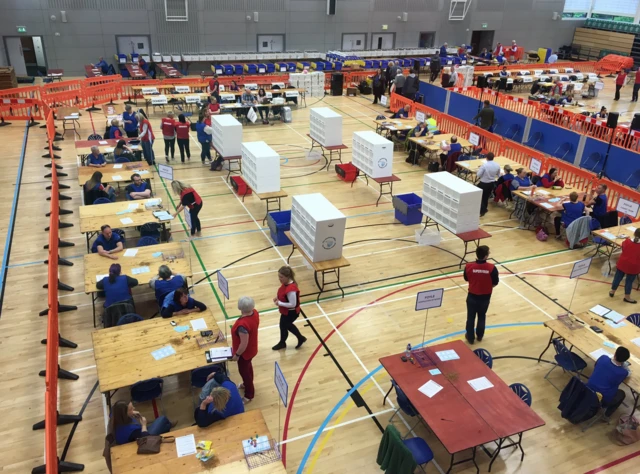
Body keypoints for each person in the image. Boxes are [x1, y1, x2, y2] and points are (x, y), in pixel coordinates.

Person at [463, 245, 499, 344]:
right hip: (485, 297)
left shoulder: (468, 266)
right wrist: (487, 286)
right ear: (486, 256)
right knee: (482, 316)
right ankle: (480, 336)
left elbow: (466, 278)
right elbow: (495, 282)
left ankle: (470, 338)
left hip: (472, 296)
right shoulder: (492, 268)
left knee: (470, 317)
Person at [586, 347, 631, 418]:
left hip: (587, 389)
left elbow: (596, 365)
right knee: (621, 394)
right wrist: (624, 366)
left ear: (615, 353)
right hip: (602, 399)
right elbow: (628, 373)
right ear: (624, 361)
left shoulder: (603, 358)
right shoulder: (622, 373)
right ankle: (606, 415)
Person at [231, 296, 260, 402]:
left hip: (245, 353)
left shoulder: (242, 325)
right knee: (248, 368)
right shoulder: (255, 313)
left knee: (244, 372)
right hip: (252, 349)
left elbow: (244, 343)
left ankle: (249, 394)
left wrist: (237, 355)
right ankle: (246, 383)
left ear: (240, 307)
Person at [272, 266, 306, 350]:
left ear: (287, 277)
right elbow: (283, 293)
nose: (279, 279)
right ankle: (283, 342)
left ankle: (299, 338)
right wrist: (278, 297)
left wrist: (279, 303)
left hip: (291, 312)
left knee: (287, 326)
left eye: (281, 277)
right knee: (283, 326)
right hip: (287, 312)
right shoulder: (285, 284)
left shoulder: (291, 289)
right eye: (279, 276)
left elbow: (293, 304)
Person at [609, 228, 640, 303]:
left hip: (622, 263)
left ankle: (612, 291)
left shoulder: (627, 241)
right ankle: (627, 297)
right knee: (629, 281)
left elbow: (623, 248)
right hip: (633, 266)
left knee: (617, 278)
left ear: (634, 234)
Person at [476, 152, 501, 217]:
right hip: (491, 183)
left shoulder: (484, 166)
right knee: (486, 197)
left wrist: (479, 170)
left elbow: (478, 174)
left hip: (484, 183)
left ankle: (482, 210)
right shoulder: (497, 165)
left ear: (486, 158)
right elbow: (498, 175)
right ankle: (484, 209)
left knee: (479, 196)